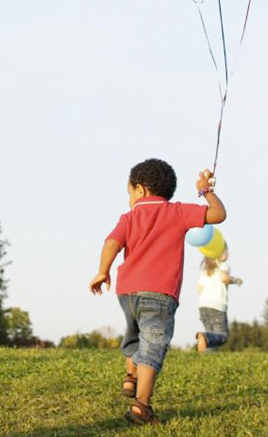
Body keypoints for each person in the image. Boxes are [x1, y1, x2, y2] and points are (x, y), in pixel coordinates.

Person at [89, 159, 225, 424]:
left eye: (129, 193)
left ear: (140, 189)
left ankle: (130, 376)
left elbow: (112, 242)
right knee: (153, 343)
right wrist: (206, 191)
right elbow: (218, 214)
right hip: (160, 293)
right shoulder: (177, 212)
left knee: (134, 333)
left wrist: (103, 270)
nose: (129, 199)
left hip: (127, 292)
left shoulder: (129, 217)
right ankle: (142, 405)